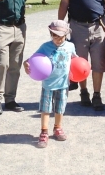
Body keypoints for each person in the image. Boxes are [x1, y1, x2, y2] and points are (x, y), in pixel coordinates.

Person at [23, 20, 77, 148]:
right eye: (54, 36)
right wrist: (26, 64)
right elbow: (31, 60)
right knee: (45, 109)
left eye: (60, 36)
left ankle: (58, 128)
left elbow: (75, 60)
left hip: (63, 84)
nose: (57, 39)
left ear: (66, 35)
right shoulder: (45, 47)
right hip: (48, 84)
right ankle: (44, 131)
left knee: (60, 108)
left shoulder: (70, 46)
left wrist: (80, 69)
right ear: (50, 34)